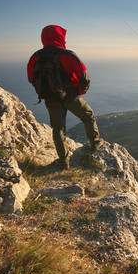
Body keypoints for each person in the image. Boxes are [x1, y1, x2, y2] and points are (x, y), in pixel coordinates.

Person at [27, 25, 104, 169]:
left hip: (50, 98)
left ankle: (64, 162)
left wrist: (48, 91)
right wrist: (79, 91)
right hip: (70, 95)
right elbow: (84, 76)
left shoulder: (35, 57)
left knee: (58, 129)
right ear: (60, 37)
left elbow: (31, 78)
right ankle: (95, 143)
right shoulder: (67, 54)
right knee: (88, 116)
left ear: (44, 38)